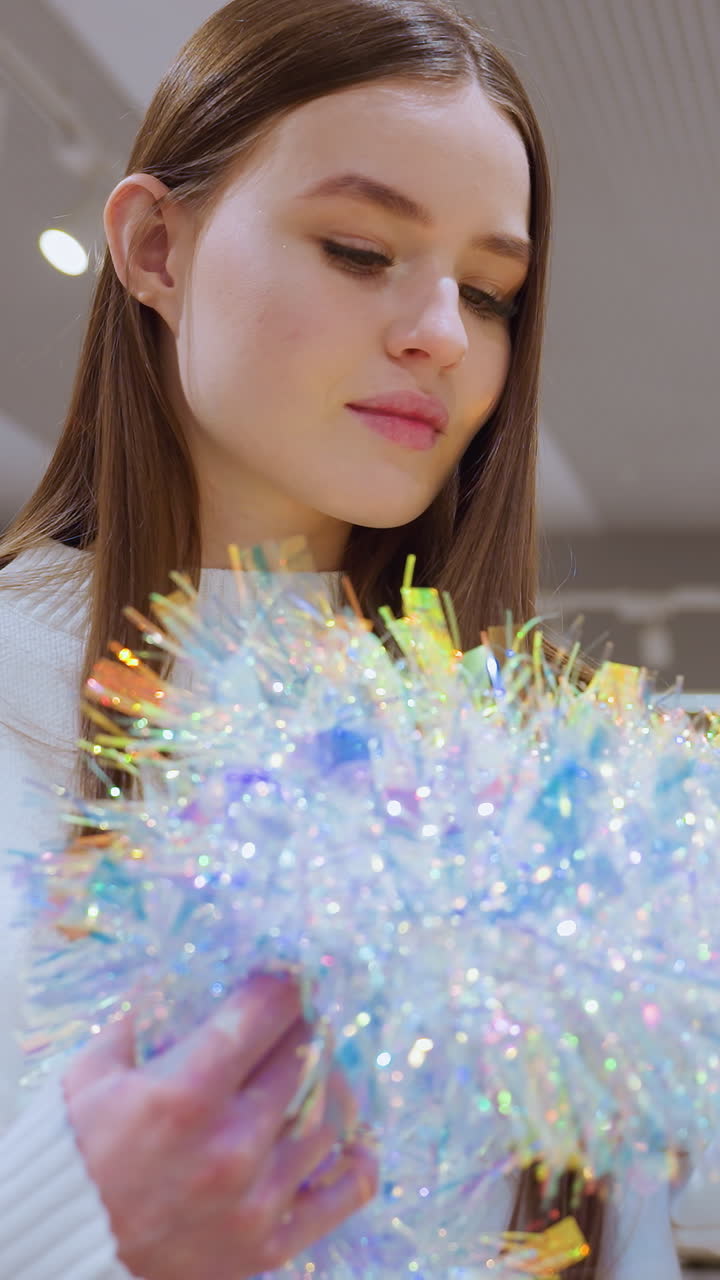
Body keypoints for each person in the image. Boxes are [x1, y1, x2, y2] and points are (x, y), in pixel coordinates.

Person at [0, 0, 702, 1274]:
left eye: (490, 291)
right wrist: (94, 1227)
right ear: (157, 247)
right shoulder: (16, 701)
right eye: (358, 247)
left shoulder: (546, 783)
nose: (439, 331)